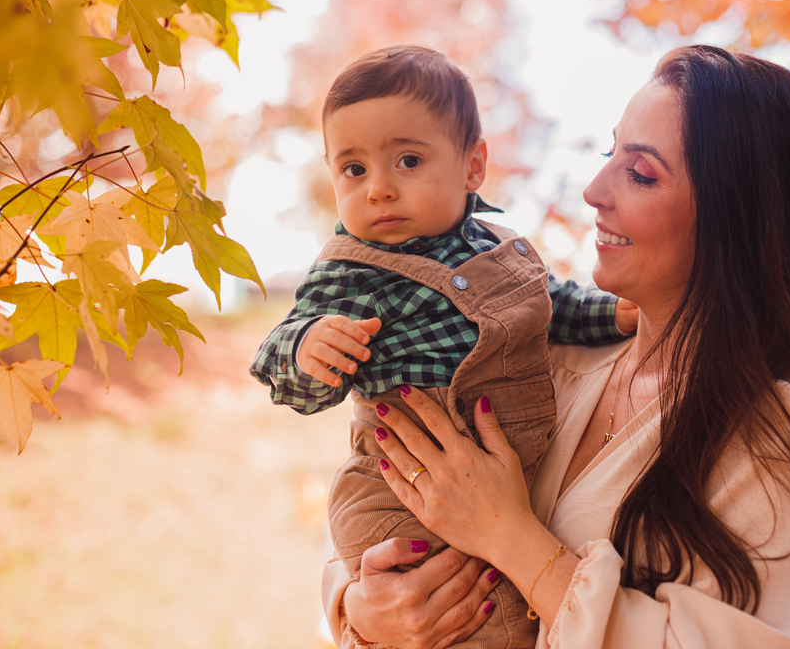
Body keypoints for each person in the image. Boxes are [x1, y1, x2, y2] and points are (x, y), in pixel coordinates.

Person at [320, 44, 790, 649]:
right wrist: (360, 609)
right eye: (610, 154)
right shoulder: (542, 357)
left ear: (738, 216)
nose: (595, 190)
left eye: (641, 173)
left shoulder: (784, 435)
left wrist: (509, 536)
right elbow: (377, 493)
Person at [249, 46, 638, 649]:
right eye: (353, 170)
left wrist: (612, 312)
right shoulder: (350, 274)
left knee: (497, 604)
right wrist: (305, 349)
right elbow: (279, 361)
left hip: (493, 488)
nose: (377, 189)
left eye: (406, 160)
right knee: (470, 615)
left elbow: (550, 303)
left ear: (473, 167)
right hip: (399, 490)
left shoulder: (501, 248)